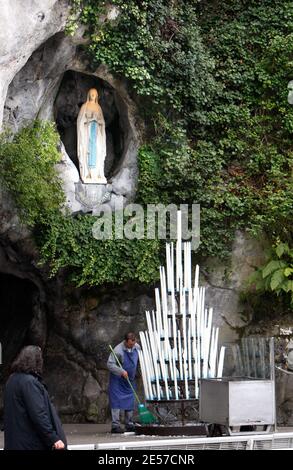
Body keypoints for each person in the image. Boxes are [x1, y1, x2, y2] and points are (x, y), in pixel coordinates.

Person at [3, 345, 67, 450]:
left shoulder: (12, 379)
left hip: (14, 442)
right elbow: (38, 414)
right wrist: (54, 438)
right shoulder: (29, 382)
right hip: (29, 443)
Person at [107, 332, 141, 433]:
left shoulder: (137, 347)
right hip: (118, 380)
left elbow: (139, 360)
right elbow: (110, 364)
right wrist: (121, 371)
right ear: (126, 341)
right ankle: (115, 425)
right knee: (116, 401)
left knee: (130, 400)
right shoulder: (118, 350)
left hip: (130, 379)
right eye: (130, 344)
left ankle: (129, 423)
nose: (132, 345)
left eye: (134, 343)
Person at [77, 87, 107, 184]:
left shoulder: (98, 108)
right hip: (87, 132)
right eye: (91, 93)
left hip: (97, 133)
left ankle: (98, 174)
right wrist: (89, 120)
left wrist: (98, 121)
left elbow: (102, 121)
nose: (93, 95)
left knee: (98, 151)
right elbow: (80, 121)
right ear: (88, 94)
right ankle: (88, 174)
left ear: (97, 95)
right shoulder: (84, 106)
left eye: (95, 93)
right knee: (87, 151)